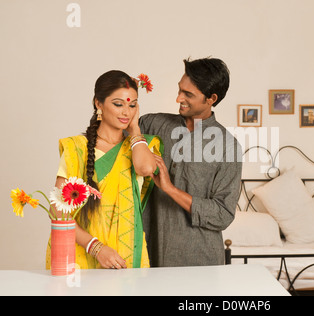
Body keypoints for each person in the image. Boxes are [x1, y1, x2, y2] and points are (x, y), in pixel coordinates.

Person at [45, 70, 162, 270]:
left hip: (125, 256)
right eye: (118, 104)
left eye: (132, 105)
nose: (126, 112)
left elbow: (146, 168)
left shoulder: (140, 147)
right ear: (98, 104)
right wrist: (96, 247)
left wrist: (134, 130)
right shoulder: (77, 149)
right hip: (80, 255)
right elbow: (57, 211)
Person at [139, 57, 242, 267]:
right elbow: (110, 143)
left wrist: (169, 188)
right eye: (179, 90)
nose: (178, 99)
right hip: (147, 255)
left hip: (198, 261)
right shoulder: (152, 124)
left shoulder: (227, 146)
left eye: (188, 94)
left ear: (211, 98)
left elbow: (223, 214)